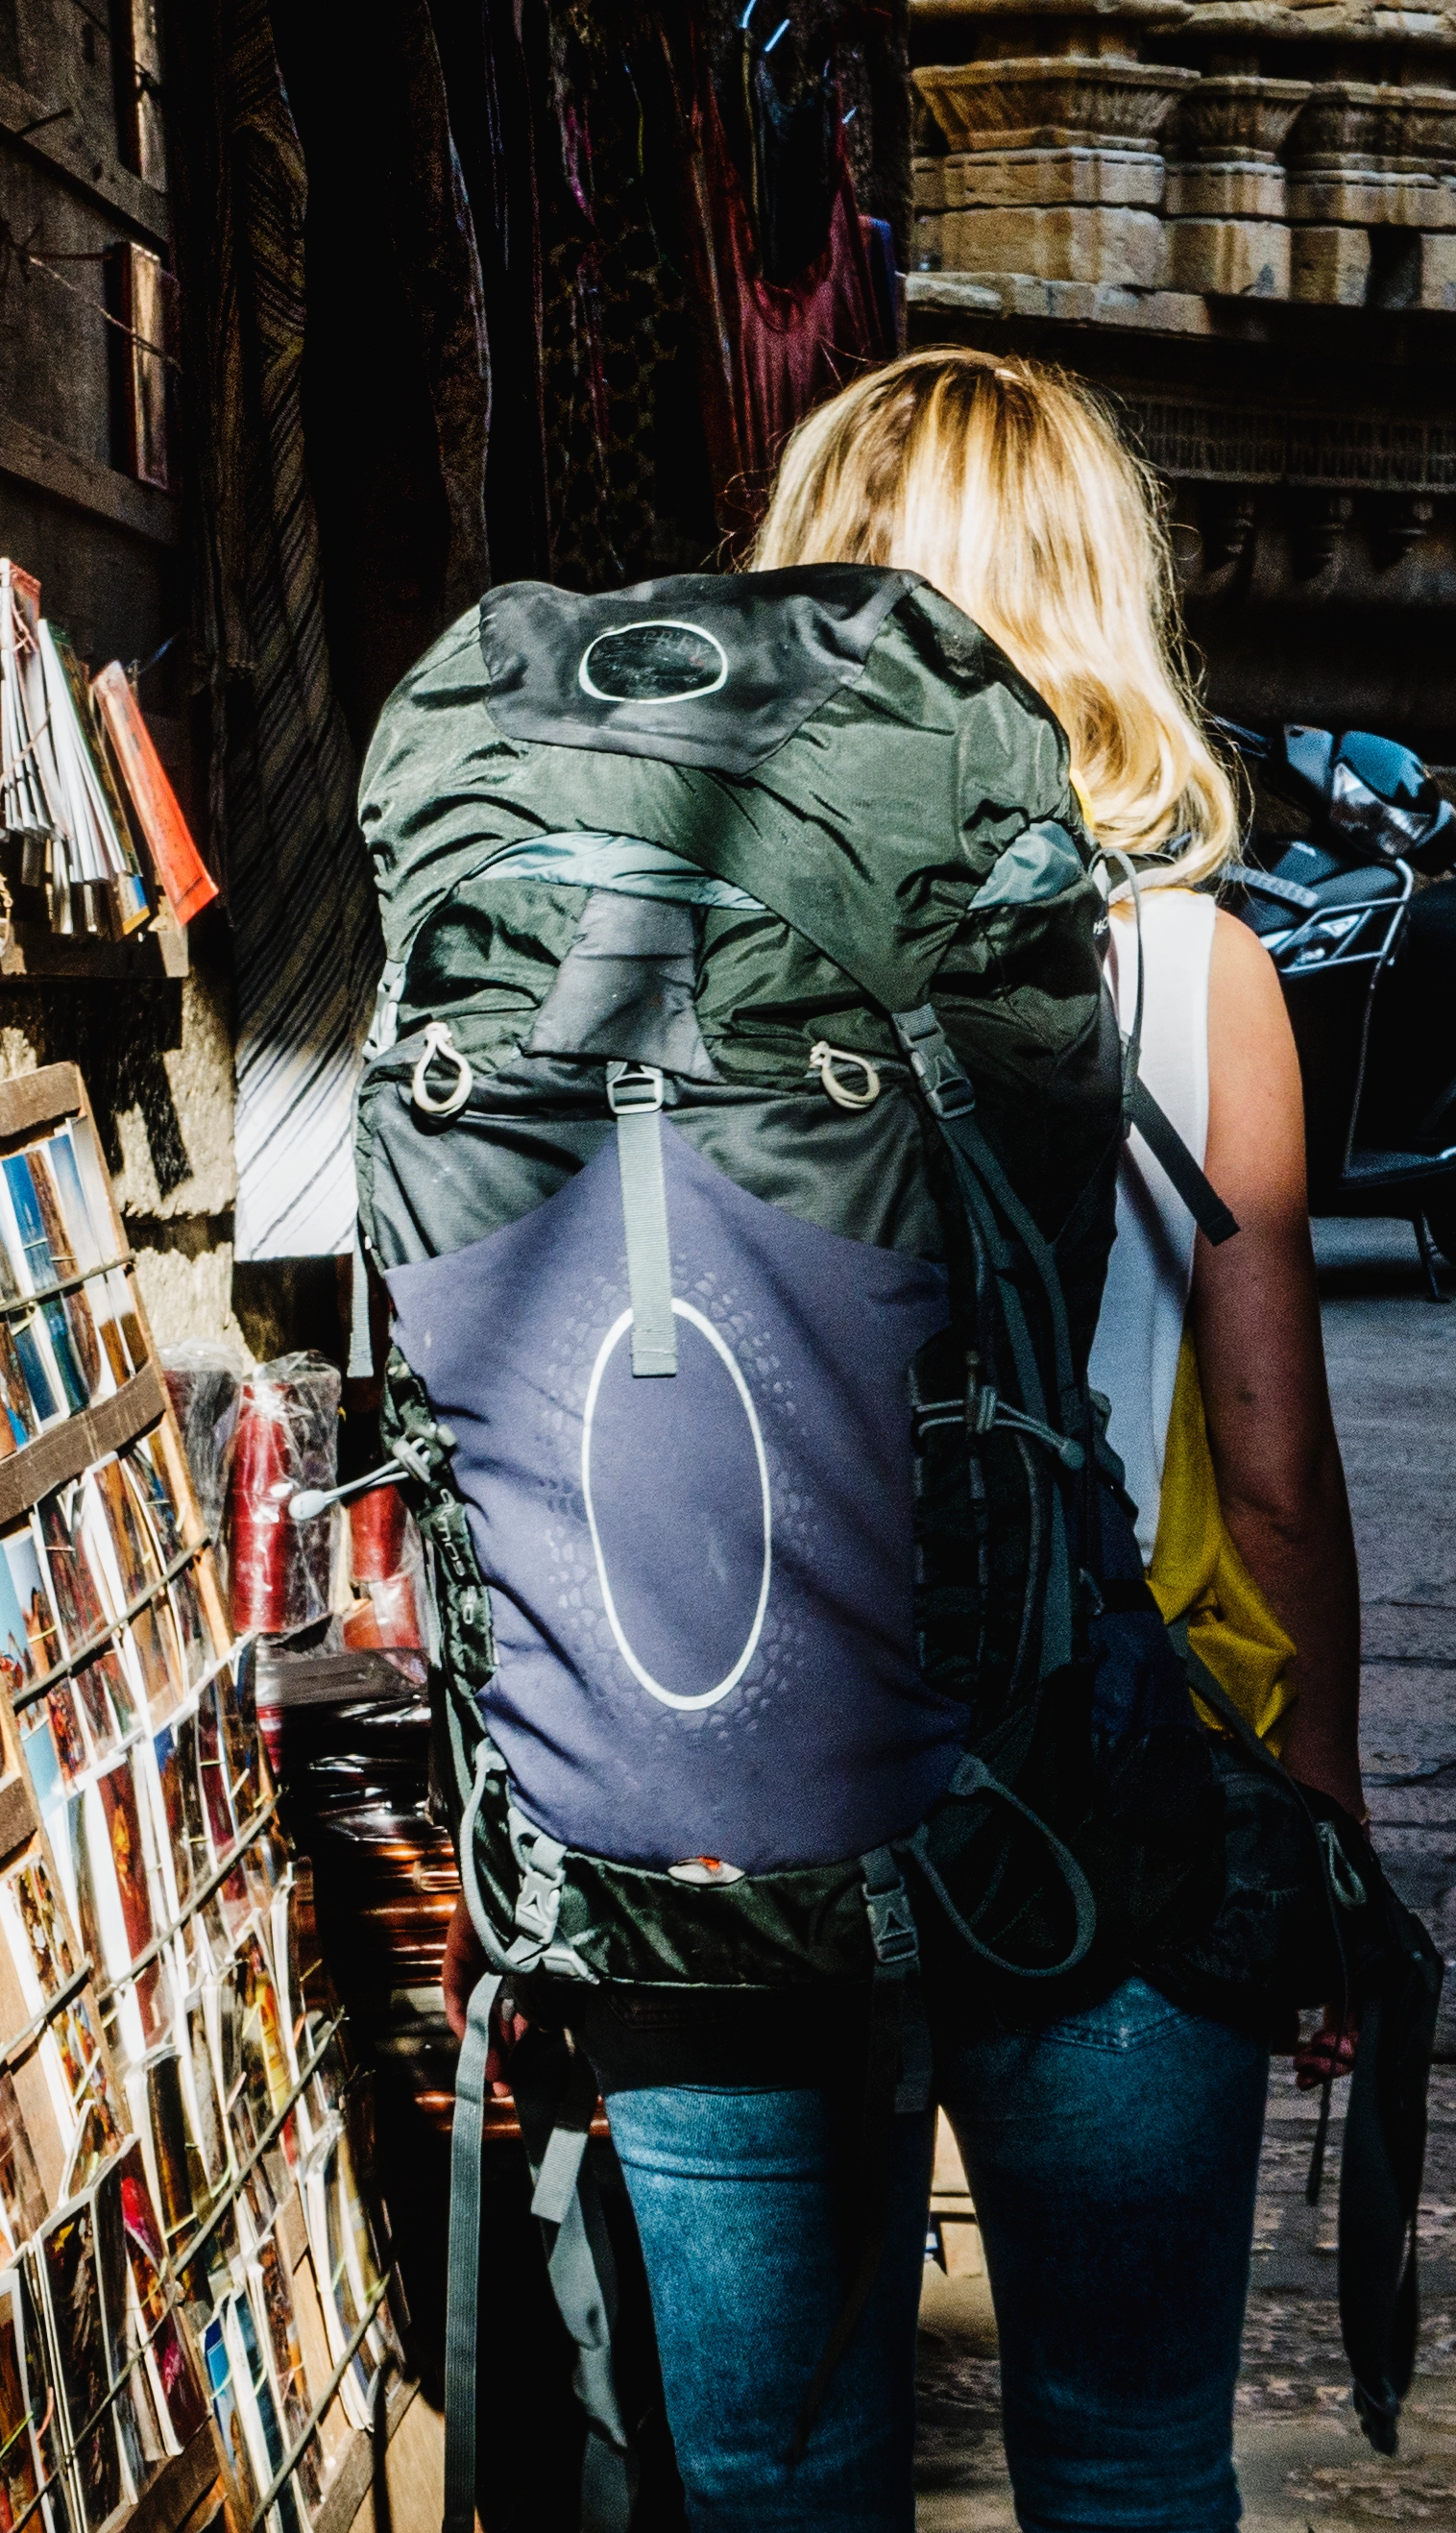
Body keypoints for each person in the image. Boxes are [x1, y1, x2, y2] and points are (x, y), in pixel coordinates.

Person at [441, 347, 1362, 2528]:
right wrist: (1311, 1817)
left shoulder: (624, 954)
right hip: (1114, 1820)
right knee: (1132, 2458)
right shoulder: (1181, 970)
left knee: (770, 2477)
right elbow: (1272, 1473)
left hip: (710, 1795)